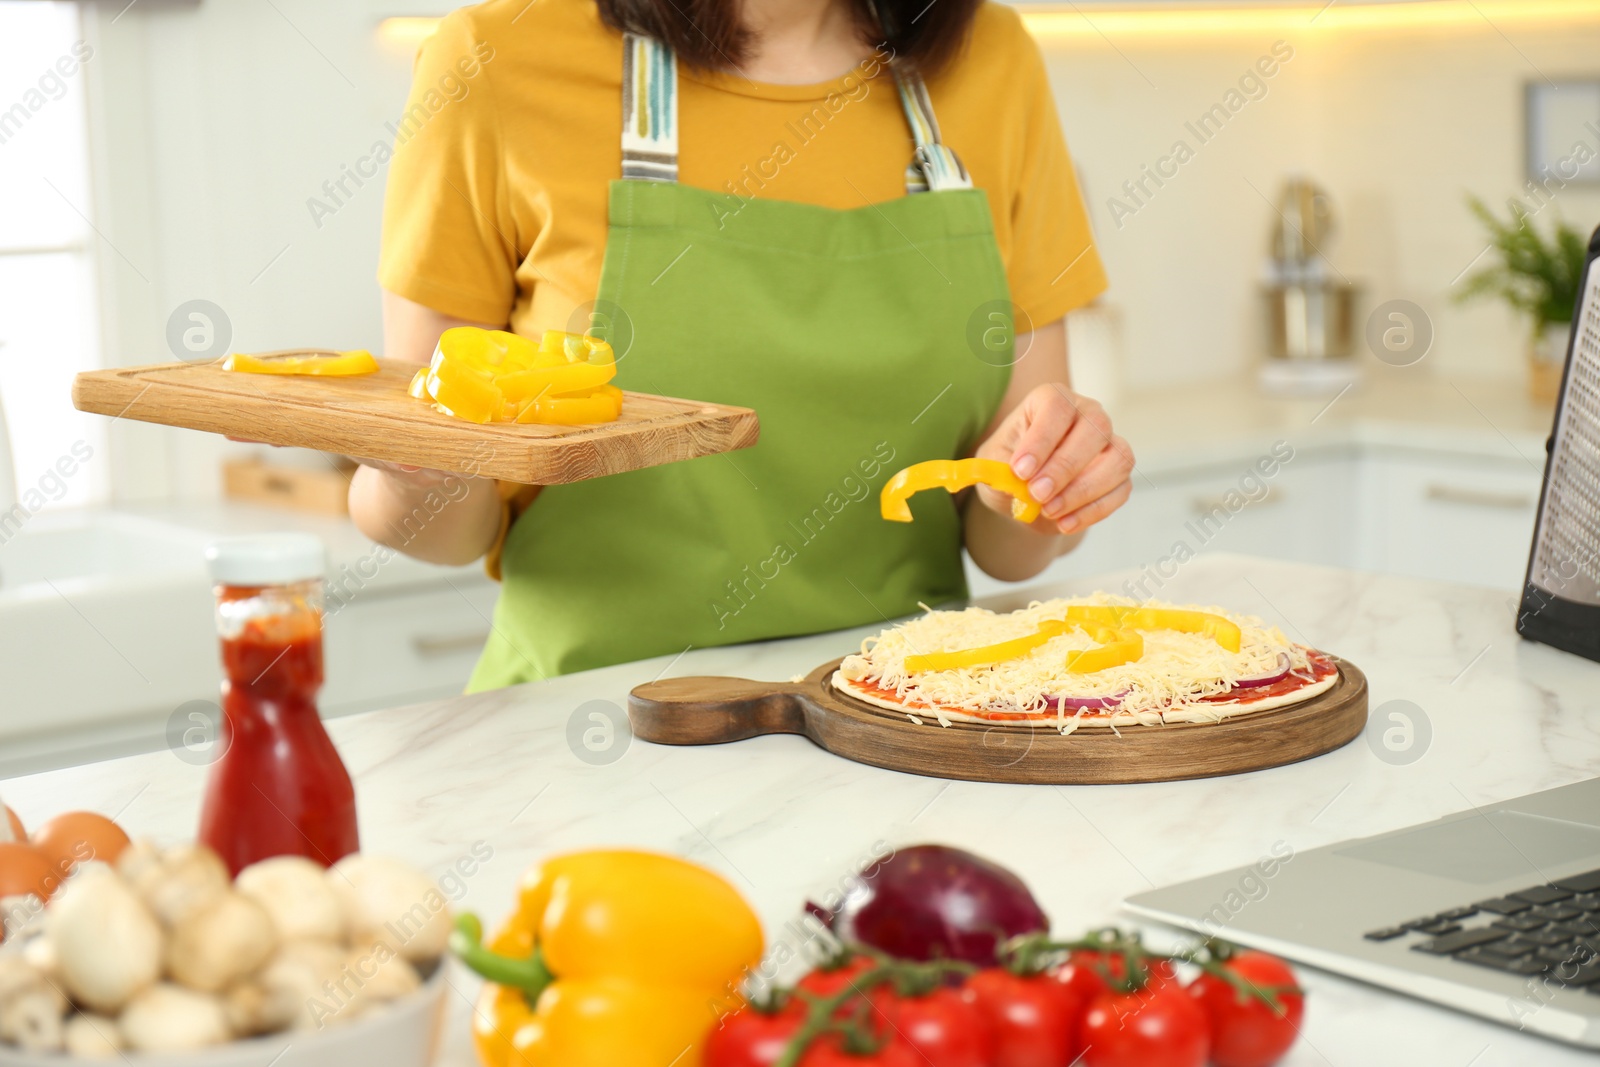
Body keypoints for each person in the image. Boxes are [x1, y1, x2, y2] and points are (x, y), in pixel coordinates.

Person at [349, 0, 1134, 689]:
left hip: (905, 720)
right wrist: (420, 477)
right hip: (589, 733)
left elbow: (1007, 542)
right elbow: (443, 524)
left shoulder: (992, 57)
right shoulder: (496, 60)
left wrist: (1046, 483)